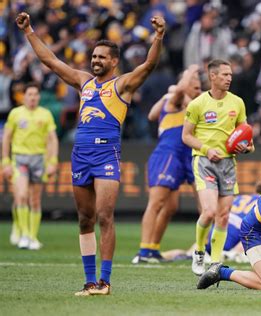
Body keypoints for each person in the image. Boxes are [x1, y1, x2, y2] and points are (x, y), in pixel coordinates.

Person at [15, 12, 166, 296]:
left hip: (106, 154)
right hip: (80, 155)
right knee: (85, 218)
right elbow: (51, 61)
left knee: (104, 216)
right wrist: (29, 31)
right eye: (93, 56)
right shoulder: (83, 82)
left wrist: (158, 37)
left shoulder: (122, 85)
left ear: (114, 61)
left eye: (101, 57)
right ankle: (89, 282)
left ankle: (105, 282)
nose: (95, 60)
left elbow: (149, 64)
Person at [182, 59, 254, 276]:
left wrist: (247, 148)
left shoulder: (238, 103)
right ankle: (199, 251)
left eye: (230, 75)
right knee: (210, 211)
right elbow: (185, 136)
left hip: (228, 164)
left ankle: (215, 261)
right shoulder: (197, 104)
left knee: (223, 215)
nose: (229, 78)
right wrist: (205, 149)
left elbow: (247, 138)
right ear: (212, 76)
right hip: (205, 162)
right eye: (224, 75)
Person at [132, 65, 202, 264]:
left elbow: (153, 115)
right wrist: (189, 72)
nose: (199, 91)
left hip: (188, 154)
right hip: (169, 154)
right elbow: (156, 113)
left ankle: (153, 248)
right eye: (195, 87)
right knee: (157, 202)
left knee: (171, 206)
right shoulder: (177, 99)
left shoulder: (187, 101)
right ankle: (144, 251)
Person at [1, 83, 58, 250]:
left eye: (35, 94)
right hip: (20, 158)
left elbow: (52, 139)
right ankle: (24, 234)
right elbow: (6, 138)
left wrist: (52, 161)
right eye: (29, 94)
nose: (32, 97)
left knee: (34, 199)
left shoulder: (45, 115)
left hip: (38, 159)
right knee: (22, 195)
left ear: (38, 97)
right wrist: (5, 161)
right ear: (24, 96)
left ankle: (33, 237)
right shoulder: (15, 114)